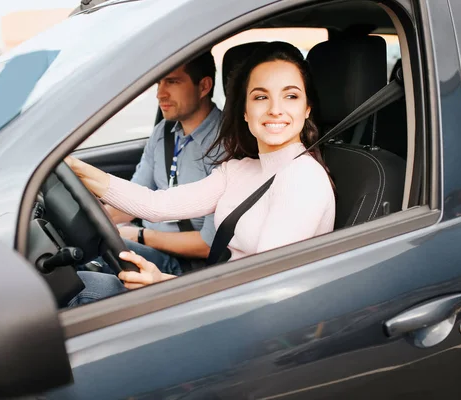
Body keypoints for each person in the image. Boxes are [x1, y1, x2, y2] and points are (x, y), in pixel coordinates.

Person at [66, 42, 336, 306]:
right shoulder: (239, 169)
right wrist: (75, 167)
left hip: (256, 318)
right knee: (84, 283)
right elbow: (156, 204)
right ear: (244, 111)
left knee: (84, 292)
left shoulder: (303, 179)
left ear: (307, 108)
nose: (275, 109)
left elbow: (262, 287)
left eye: (290, 96)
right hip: (223, 295)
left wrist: (164, 284)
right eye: (261, 96)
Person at [93, 51, 222, 277]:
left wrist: (140, 236)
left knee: (95, 255)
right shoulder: (164, 132)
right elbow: (131, 202)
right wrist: (93, 219)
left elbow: (208, 244)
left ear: (203, 86)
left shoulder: (224, 144)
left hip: (186, 265)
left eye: (172, 82)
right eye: (159, 82)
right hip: (150, 244)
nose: (160, 94)